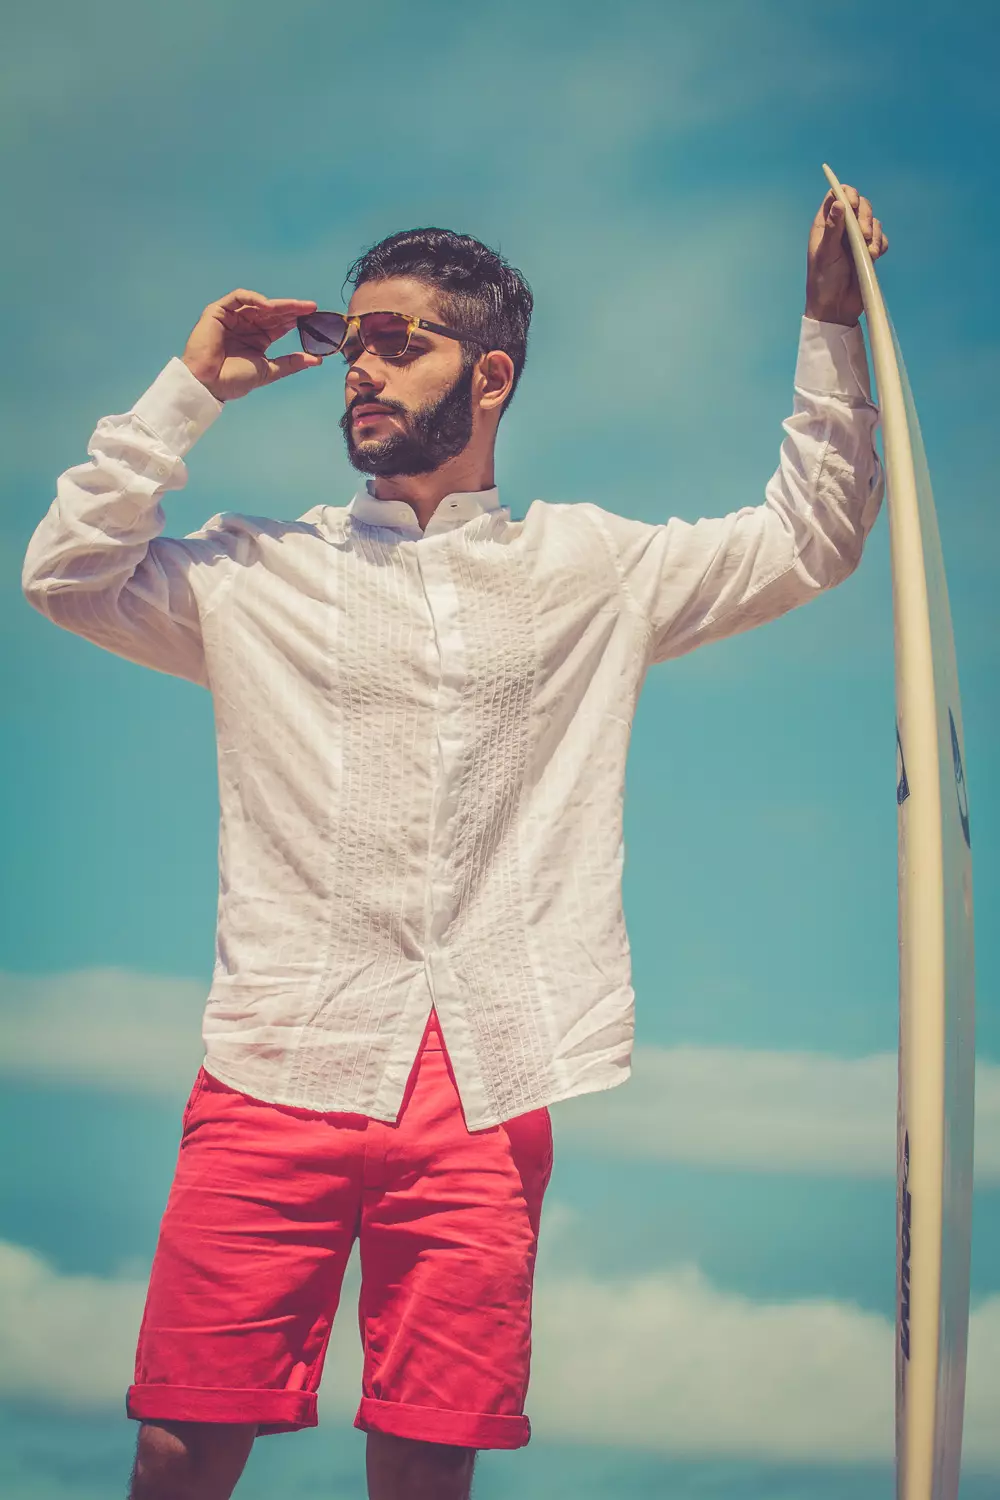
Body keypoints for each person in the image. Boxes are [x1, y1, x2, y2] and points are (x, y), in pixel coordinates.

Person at [22, 185, 888, 1500]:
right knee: (182, 1439)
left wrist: (832, 318)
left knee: (431, 1457)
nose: (358, 369)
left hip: (490, 1078)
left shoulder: (594, 567)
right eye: (351, 342)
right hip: (273, 1067)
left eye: (396, 341)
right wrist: (189, 390)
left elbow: (815, 535)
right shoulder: (255, 572)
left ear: (490, 373)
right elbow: (67, 575)